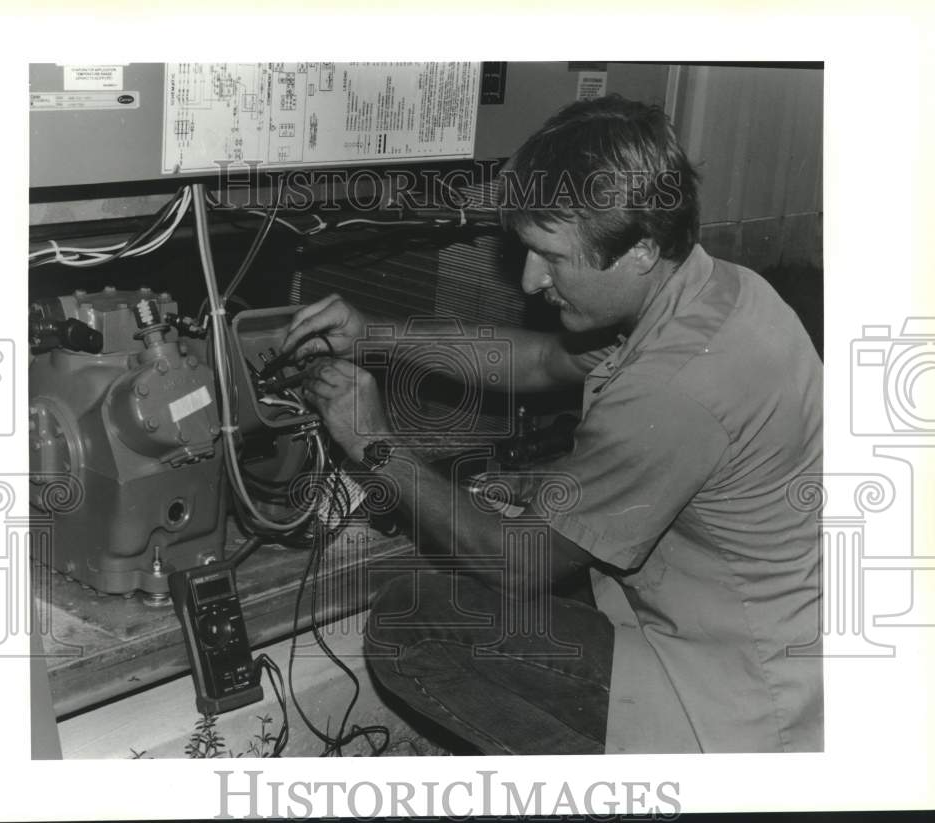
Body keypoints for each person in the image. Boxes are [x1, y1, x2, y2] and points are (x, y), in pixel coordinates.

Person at [281, 95, 823, 755]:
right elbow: (539, 360)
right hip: (767, 645)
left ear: (642, 249)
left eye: (551, 256)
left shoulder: (677, 386)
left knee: (411, 623)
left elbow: (518, 563)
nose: (532, 279)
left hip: (733, 706)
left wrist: (374, 443)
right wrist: (375, 334)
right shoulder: (719, 291)